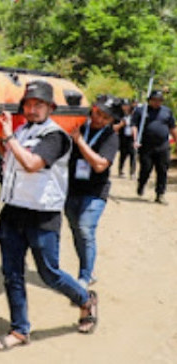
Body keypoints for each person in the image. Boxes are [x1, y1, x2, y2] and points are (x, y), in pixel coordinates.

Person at [0, 80, 98, 351]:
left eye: (39, 104)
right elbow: (12, 157)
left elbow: (30, 164)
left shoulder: (56, 136)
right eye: (28, 103)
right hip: (13, 211)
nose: (32, 109)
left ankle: (85, 299)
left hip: (42, 216)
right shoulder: (23, 131)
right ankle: (19, 330)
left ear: (50, 107)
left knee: (49, 273)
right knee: (11, 273)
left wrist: (8, 137)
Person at [65, 95, 121, 290]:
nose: (99, 119)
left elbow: (99, 165)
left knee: (85, 229)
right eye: (98, 113)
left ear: (112, 121)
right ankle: (88, 268)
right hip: (71, 189)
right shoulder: (78, 125)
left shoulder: (110, 137)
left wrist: (80, 141)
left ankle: (84, 276)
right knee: (77, 231)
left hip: (95, 192)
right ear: (93, 108)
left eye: (105, 117)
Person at [132, 90, 177, 204]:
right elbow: (134, 126)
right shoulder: (141, 111)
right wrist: (135, 140)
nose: (157, 102)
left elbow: (172, 127)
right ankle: (141, 184)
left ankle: (160, 194)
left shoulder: (167, 112)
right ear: (150, 100)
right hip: (146, 146)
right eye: (155, 100)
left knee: (162, 170)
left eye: (160, 100)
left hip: (163, 146)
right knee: (146, 169)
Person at [114, 99, 136, 178]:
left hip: (131, 137)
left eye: (127, 106)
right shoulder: (119, 115)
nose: (125, 107)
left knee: (133, 154)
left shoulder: (134, 115)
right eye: (124, 105)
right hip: (123, 137)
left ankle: (132, 172)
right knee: (123, 154)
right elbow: (114, 127)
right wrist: (121, 124)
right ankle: (120, 171)